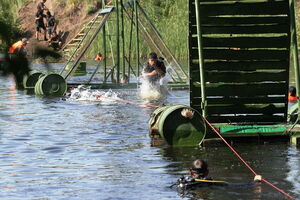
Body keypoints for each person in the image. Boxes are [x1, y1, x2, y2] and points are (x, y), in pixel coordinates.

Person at [176, 159, 262, 189]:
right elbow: (241, 186)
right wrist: (256, 181)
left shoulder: (183, 182)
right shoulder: (212, 183)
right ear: (207, 172)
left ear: (190, 172)